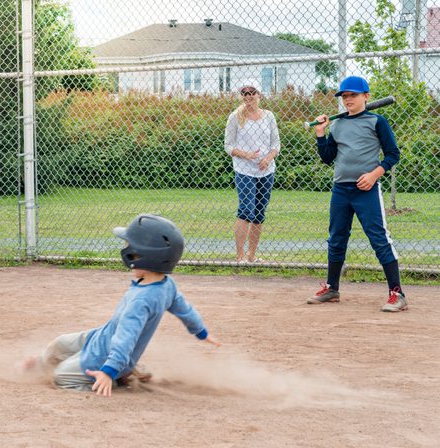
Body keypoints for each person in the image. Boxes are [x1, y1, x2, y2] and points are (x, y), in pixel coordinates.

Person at [24, 214, 220, 397]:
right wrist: (200, 331)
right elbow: (184, 310)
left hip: (103, 357)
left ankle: (117, 376)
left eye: (129, 245)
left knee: (62, 376)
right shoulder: (165, 284)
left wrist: (109, 371)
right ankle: (40, 363)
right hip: (100, 336)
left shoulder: (141, 301)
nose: (126, 248)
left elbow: (126, 337)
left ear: (145, 254)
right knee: (60, 343)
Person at [307, 76, 408, 312]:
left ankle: (397, 293)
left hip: (367, 189)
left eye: (353, 95)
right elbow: (327, 157)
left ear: (366, 96)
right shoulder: (338, 124)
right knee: (336, 238)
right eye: (344, 96)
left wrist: (374, 174)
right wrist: (321, 134)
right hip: (341, 189)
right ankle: (332, 288)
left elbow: (393, 154)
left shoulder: (376, 121)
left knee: (379, 238)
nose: (348, 99)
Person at [224, 84, 281, 263]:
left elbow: (276, 145)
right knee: (245, 210)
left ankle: (251, 256)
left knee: (259, 213)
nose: (248, 96)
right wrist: (246, 155)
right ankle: (240, 255)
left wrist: (268, 158)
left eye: (252, 93)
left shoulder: (269, 116)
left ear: (259, 95)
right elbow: (228, 146)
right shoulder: (235, 117)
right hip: (245, 170)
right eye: (244, 94)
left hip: (266, 170)